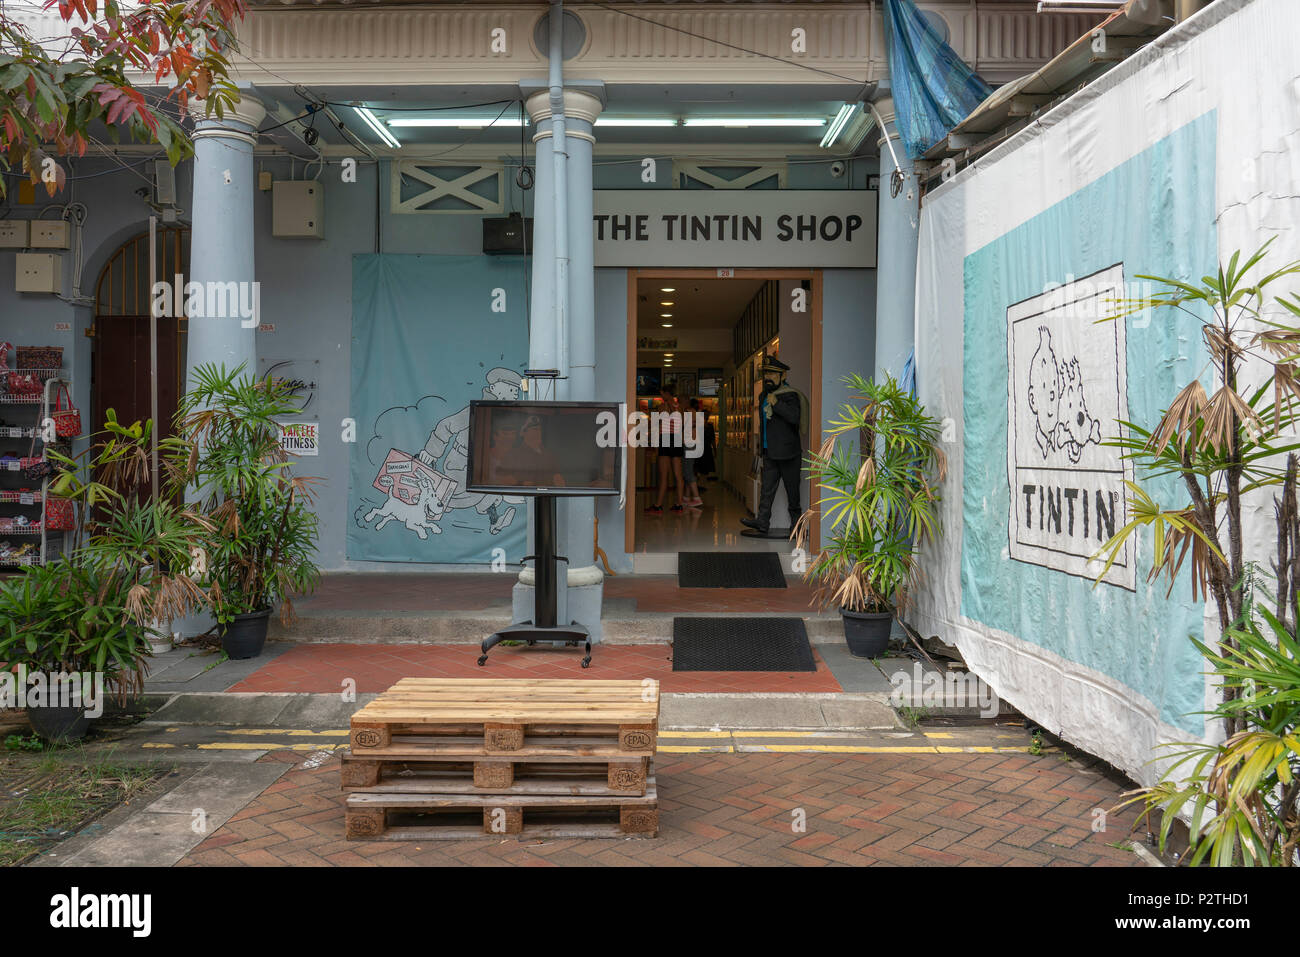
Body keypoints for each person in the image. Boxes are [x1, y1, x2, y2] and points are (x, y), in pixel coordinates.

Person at [741, 356, 808, 535]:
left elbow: (794, 418)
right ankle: (762, 522)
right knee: (766, 490)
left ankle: (797, 527)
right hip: (769, 451)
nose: (768, 377)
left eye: (772, 373)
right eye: (766, 373)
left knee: (792, 492)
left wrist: (776, 404)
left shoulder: (790, 395)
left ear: (783, 375)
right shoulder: (763, 395)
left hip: (788, 453)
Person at [646, 388, 684, 514]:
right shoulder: (679, 407)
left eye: (663, 394)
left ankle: (658, 505)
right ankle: (678, 504)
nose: (662, 397)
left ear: (668, 394)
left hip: (667, 438)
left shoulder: (664, 407)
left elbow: (659, 424)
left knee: (664, 475)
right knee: (677, 475)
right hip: (676, 438)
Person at [681, 393, 704, 508]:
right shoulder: (695, 413)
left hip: (689, 443)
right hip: (694, 443)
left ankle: (696, 497)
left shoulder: (688, 412)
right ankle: (686, 497)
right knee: (687, 470)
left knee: (688, 471)